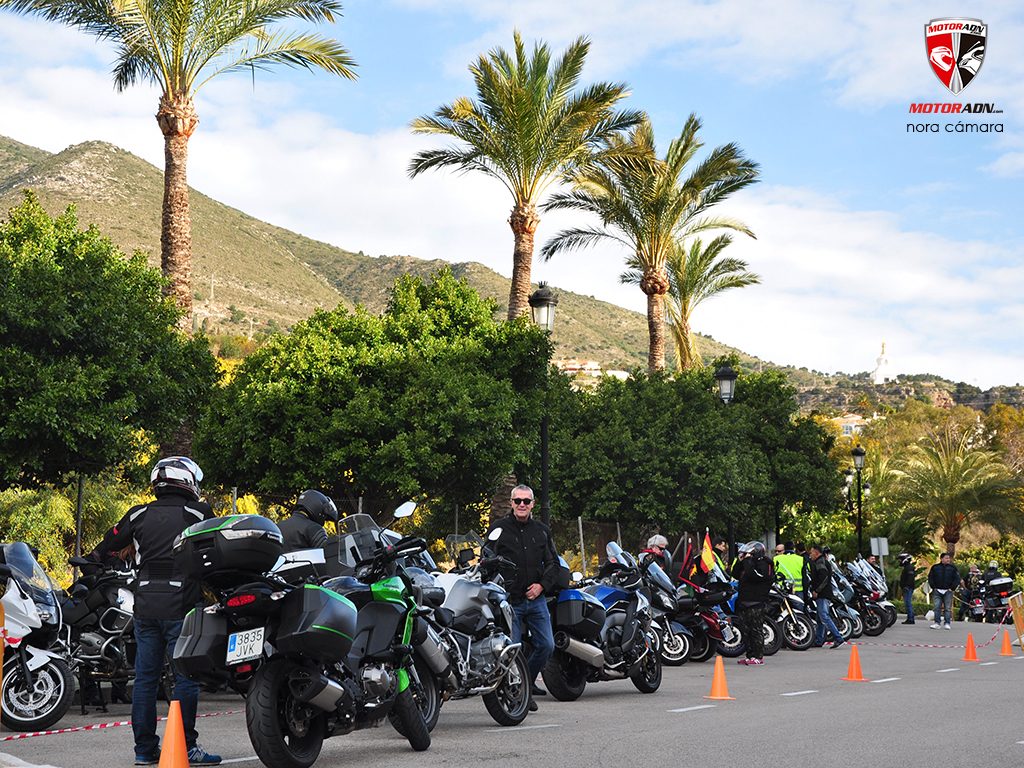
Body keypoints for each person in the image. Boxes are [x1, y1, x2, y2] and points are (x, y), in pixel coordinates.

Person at [92, 457, 221, 766]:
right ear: (187, 480)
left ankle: (144, 750)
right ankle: (187, 746)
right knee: (185, 678)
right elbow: (215, 551)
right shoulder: (198, 512)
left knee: (146, 680)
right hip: (182, 606)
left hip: (145, 605)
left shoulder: (138, 513)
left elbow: (106, 547)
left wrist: (99, 559)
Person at [484, 485, 558, 712]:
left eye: (526, 501)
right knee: (511, 651)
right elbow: (485, 559)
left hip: (535, 599)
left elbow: (554, 563)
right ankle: (515, 693)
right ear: (511, 503)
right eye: (518, 501)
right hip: (509, 601)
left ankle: (526, 684)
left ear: (533, 503)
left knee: (547, 645)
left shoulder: (542, 530)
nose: (522, 504)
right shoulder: (498, 529)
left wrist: (541, 586)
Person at [732, 542, 774, 665]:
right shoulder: (747, 563)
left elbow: (755, 576)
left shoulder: (765, 564)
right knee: (745, 631)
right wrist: (740, 562)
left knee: (756, 630)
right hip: (744, 600)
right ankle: (750, 655)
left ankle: (758, 656)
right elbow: (735, 574)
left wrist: (748, 561)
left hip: (756, 602)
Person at [808, 544, 846, 649]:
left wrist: (816, 590)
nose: (810, 554)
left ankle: (838, 638)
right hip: (824, 593)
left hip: (823, 594)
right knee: (820, 618)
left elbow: (824, 578)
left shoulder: (820, 563)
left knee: (824, 616)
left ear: (816, 552)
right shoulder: (820, 561)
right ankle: (819, 640)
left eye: (811, 552)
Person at [927, 552, 960, 630]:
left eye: (948, 558)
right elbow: (930, 577)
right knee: (937, 607)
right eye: (946, 558)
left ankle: (947, 623)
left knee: (947, 608)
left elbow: (957, 579)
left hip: (948, 591)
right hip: (937, 590)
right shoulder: (935, 567)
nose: (948, 559)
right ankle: (937, 623)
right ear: (941, 559)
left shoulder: (953, 568)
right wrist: (933, 587)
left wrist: (952, 588)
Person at [898, 553, 917, 624]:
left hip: (908, 588)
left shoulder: (909, 567)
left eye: (901, 559)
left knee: (908, 603)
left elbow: (910, 578)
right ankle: (910, 618)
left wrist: (906, 586)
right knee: (907, 603)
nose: (900, 561)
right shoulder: (907, 567)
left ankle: (911, 619)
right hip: (907, 588)